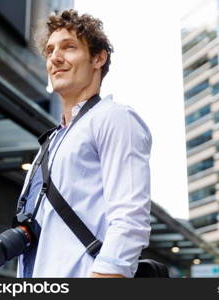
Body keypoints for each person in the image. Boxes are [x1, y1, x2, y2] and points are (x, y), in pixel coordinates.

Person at [16, 9, 152, 278]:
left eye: (69, 47)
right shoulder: (52, 140)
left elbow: (130, 218)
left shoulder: (114, 118)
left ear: (98, 58)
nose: (55, 58)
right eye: (50, 50)